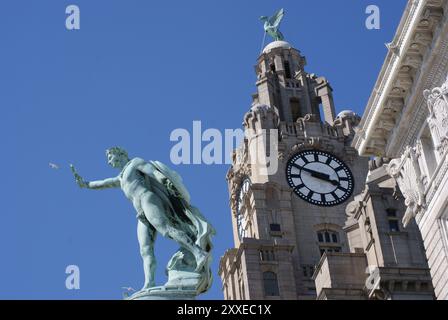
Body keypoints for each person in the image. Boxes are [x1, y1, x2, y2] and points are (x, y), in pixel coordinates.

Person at [70, 147, 214, 292]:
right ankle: (149, 282)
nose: (109, 161)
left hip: (148, 200)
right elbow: (103, 183)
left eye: (110, 157)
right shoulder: (120, 178)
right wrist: (86, 184)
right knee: (145, 249)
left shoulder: (134, 163)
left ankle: (198, 253)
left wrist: (163, 180)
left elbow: (152, 171)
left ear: (120, 154)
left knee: (167, 230)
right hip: (141, 213)